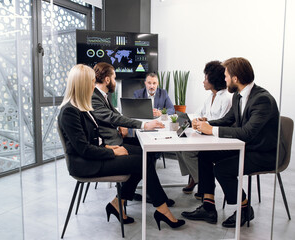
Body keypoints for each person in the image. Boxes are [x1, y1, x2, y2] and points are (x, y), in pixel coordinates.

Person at [58, 64, 185, 230]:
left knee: (142, 159)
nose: (93, 85)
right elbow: (84, 150)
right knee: (142, 162)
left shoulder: (80, 107)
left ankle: (120, 204)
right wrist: (112, 152)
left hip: (94, 156)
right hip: (85, 165)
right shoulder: (70, 111)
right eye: (91, 82)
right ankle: (161, 209)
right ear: (82, 84)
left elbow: (92, 141)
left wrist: (110, 149)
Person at [181, 57, 282, 228]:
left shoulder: (262, 99)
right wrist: (206, 124)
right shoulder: (238, 96)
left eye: (226, 76)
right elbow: (228, 120)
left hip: (263, 153)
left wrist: (210, 130)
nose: (224, 79)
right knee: (205, 154)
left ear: (235, 78)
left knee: (222, 169)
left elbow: (248, 133)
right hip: (246, 148)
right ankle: (208, 206)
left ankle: (244, 209)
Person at [91, 62, 174, 206]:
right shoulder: (95, 96)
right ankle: (159, 202)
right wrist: (144, 124)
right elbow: (112, 117)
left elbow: (114, 114)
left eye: (154, 83)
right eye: (114, 77)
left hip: (116, 138)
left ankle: (120, 201)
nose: (116, 82)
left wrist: (122, 124)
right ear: (107, 79)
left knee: (148, 152)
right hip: (111, 145)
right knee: (145, 158)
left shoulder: (101, 95)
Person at [176, 61, 232, 199]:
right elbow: (198, 114)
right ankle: (195, 177)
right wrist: (195, 120)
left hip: (216, 139)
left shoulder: (226, 99)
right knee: (178, 147)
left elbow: (222, 123)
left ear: (213, 80)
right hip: (204, 135)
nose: (203, 82)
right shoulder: (211, 97)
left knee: (188, 152)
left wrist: (203, 122)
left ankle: (204, 185)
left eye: (205, 78)